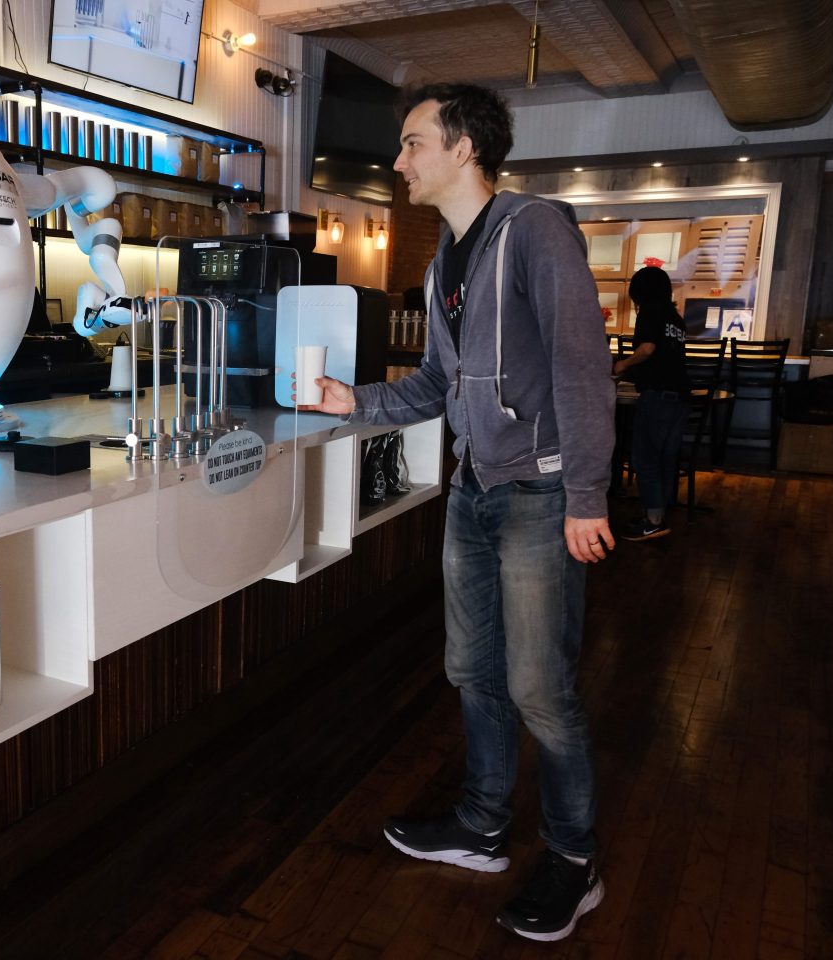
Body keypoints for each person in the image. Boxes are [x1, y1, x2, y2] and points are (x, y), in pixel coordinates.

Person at [296, 83, 615, 942]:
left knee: (539, 686)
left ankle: (575, 860)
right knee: (471, 668)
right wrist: (347, 400)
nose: (397, 162)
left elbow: (585, 369)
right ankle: (481, 823)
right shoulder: (444, 265)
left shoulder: (536, 230)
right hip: (472, 491)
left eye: (411, 144)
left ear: (464, 146)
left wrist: (586, 495)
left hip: (540, 494)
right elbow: (438, 386)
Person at [614, 267, 689, 540]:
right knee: (666, 458)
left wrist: (623, 364)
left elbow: (647, 349)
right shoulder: (676, 319)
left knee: (645, 458)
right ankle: (659, 514)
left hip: (658, 397)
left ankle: (653, 521)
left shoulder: (650, 311)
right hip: (680, 398)